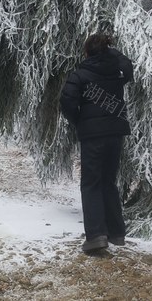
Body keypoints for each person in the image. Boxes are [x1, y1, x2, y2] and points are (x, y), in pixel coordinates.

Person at [59, 32, 134, 254]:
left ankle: (96, 238)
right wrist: (110, 51)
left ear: (87, 52)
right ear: (107, 50)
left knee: (91, 183)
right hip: (115, 133)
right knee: (108, 181)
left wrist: (79, 122)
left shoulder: (81, 74)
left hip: (93, 137)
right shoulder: (117, 72)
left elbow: (67, 102)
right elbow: (127, 66)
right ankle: (116, 233)